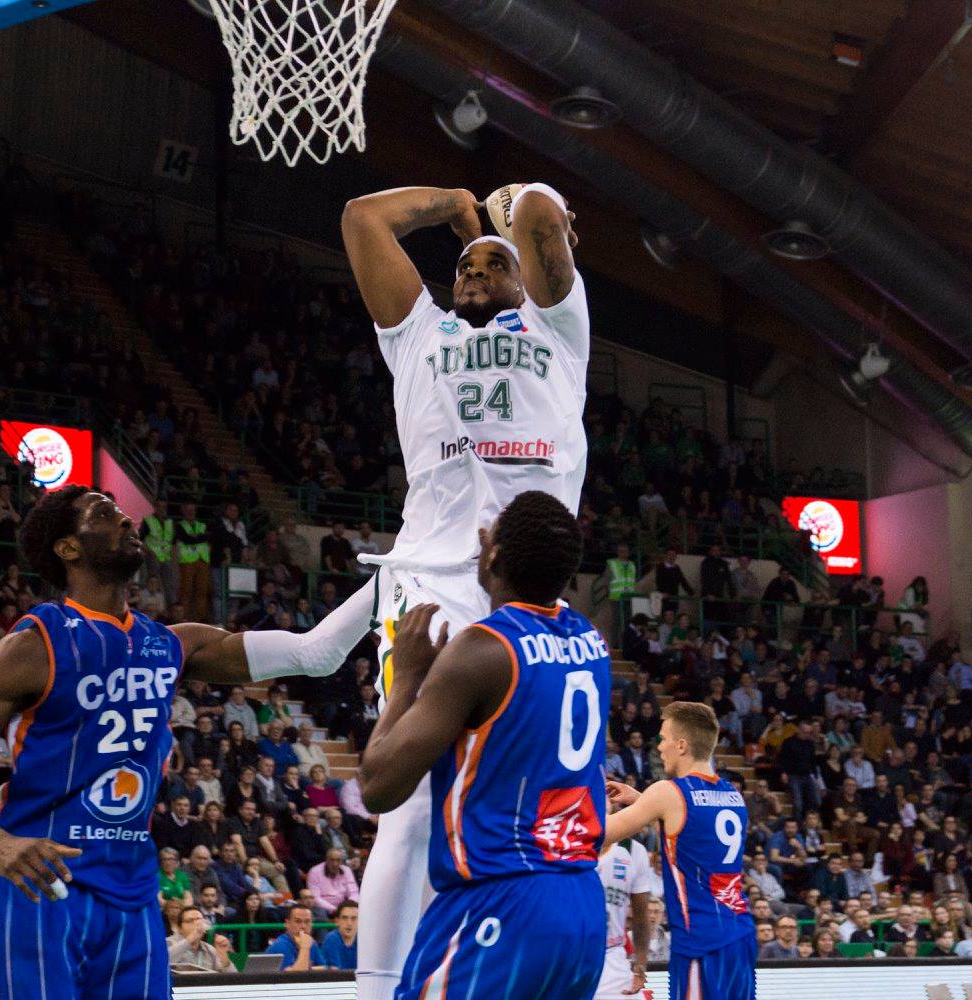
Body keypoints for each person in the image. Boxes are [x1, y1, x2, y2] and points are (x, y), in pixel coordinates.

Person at [0, 487, 377, 1000]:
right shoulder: (32, 646)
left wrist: (400, 572)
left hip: (132, 886)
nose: (128, 521)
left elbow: (318, 652)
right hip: (42, 883)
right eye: (105, 514)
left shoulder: (172, 643)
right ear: (68, 548)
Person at [342, 180, 588, 1000]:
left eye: (494, 263)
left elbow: (547, 222)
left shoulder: (560, 331)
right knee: (407, 809)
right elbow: (362, 219)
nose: (475, 272)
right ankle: (377, 990)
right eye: (466, 266)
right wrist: (451, 200)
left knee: (539, 803)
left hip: (532, 588)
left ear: (526, 280)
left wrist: (516, 210)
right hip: (432, 588)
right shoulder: (419, 336)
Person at [357, 492, 609, 1000]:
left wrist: (405, 677)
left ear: (491, 554)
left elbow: (378, 788)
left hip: (501, 902)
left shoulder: (481, 650)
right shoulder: (592, 641)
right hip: (582, 905)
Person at [604, 702, 758, 1000]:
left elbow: (599, 835)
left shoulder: (668, 792)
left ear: (682, 745)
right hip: (739, 934)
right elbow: (689, 830)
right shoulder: (732, 795)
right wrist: (643, 801)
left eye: (663, 738)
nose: (659, 747)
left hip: (701, 940)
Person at [594, 813, 654, 999]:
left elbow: (641, 916)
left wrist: (641, 963)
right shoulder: (562, 845)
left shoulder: (633, 851)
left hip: (612, 956)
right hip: (568, 955)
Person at [166, 906, 232, 973]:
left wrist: (224, 959)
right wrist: (191, 938)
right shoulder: (169, 943)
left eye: (199, 920)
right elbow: (164, 961)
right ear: (180, 928)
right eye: (190, 921)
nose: (196, 924)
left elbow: (233, 977)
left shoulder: (209, 949)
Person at [263, 904, 318, 971]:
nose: (303, 926)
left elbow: (326, 968)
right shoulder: (280, 945)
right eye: (298, 921)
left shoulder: (311, 942)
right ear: (287, 923)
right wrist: (305, 947)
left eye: (307, 921)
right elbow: (297, 977)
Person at [320, 900, 360, 970]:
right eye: (344, 918)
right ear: (337, 921)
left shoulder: (364, 940)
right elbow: (336, 974)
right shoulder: (331, 939)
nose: (349, 923)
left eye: (353, 918)